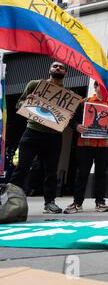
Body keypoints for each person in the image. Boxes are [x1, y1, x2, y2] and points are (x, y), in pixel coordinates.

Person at [9, 61, 69, 214]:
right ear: (50, 69)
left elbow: (67, 118)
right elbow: (19, 103)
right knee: (22, 167)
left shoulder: (67, 96)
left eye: (61, 67)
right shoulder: (34, 84)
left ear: (65, 73)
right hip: (32, 132)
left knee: (51, 171)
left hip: (54, 136)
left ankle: (50, 203)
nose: (57, 68)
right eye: (55, 66)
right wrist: (28, 101)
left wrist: (69, 117)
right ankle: (9, 199)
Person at [63, 81, 108, 214]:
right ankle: (77, 203)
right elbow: (70, 119)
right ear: (95, 87)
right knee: (82, 173)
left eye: (107, 88)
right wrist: (77, 127)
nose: (104, 90)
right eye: (101, 87)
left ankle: (100, 202)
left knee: (101, 174)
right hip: (85, 144)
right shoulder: (84, 102)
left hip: (105, 145)